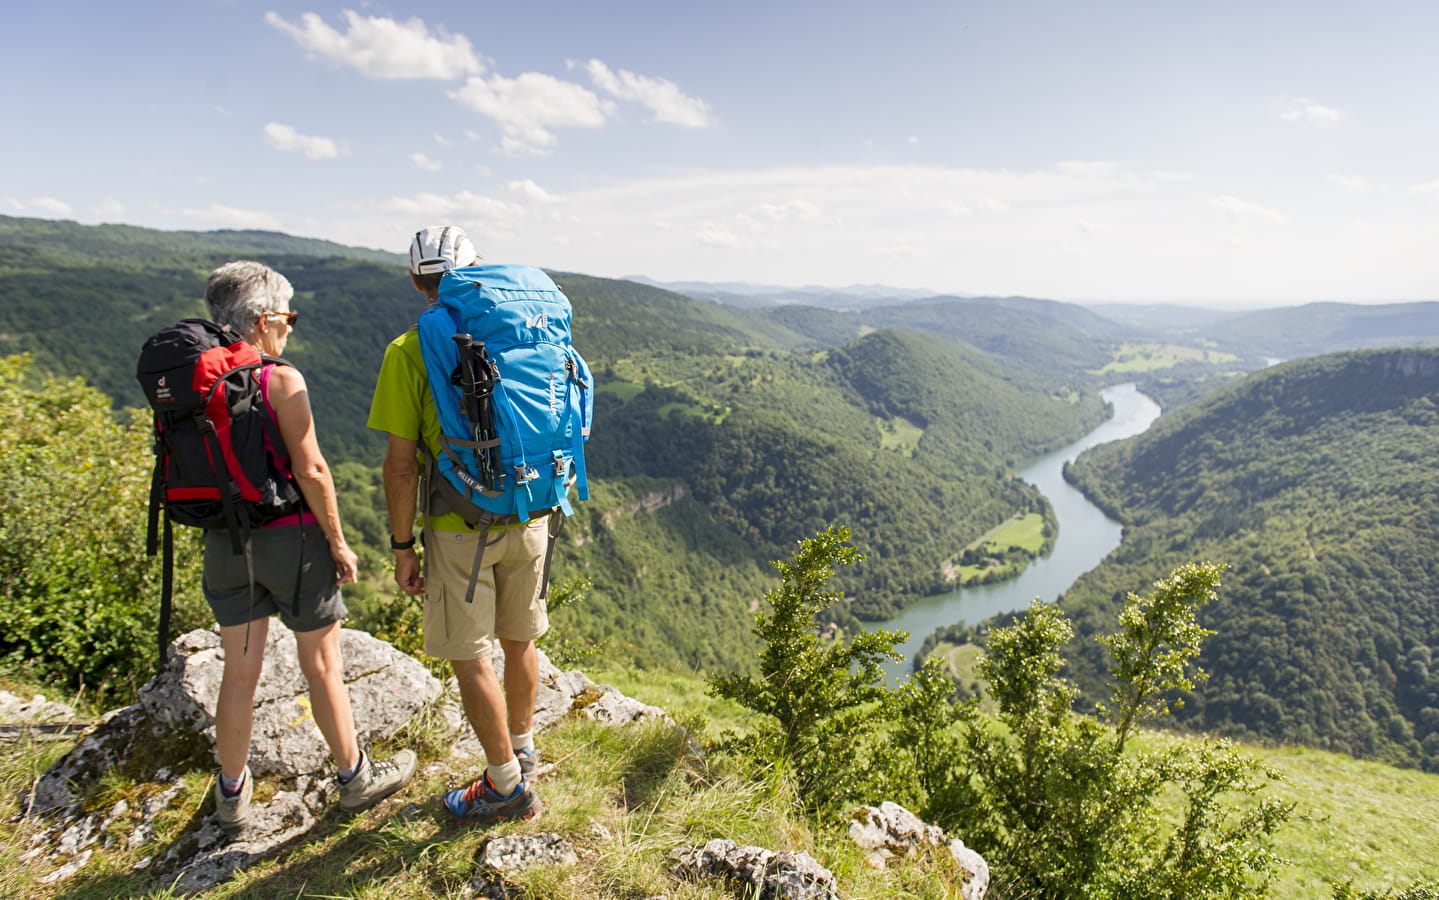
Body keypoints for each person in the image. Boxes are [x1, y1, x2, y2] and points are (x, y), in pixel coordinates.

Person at [202, 261, 416, 834]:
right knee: (322, 663)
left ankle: (230, 793)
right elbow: (314, 470)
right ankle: (354, 779)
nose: (291, 329)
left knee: (239, 669)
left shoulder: (195, 379)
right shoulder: (280, 379)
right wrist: (339, 543)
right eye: (287, 318)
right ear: (264, 319)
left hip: (223, 541)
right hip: (288, 540)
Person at [367, 226, 545, 825]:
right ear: (479, 269)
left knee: (469, 655)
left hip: (457, 523)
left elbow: (399, 467)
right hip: (530, 509)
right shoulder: (521, 329)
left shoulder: (407, 349)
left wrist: (401, 545)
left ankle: (504, 785)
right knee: (521, 639)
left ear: (418, 284)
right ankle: (522, 748)